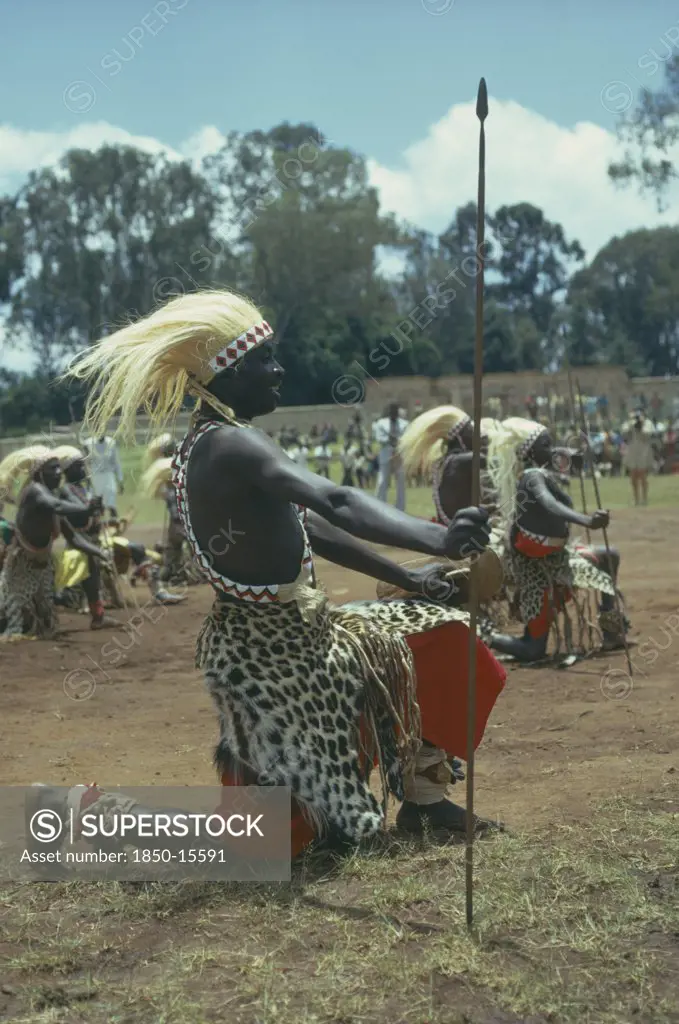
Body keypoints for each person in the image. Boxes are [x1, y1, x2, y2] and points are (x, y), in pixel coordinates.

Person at [40, 289, 506, 859]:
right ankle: (97, 819)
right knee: (265, 847)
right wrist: (436, 535)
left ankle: (424, 798)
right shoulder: (230, 444)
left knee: (446, 641)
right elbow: (334, 497)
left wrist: (408, 578)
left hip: (301, 638)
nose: (278, 371)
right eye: (264, 360)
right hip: (272, 660)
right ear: (225, 375)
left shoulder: (214, 443)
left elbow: (310, 523)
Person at [485, 418, 629, 664]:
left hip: (558, 560)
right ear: (529, 451)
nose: (551, 449)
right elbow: (549, 504)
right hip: (537, 571)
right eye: (545, 444)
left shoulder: (538, 472)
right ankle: (481, 634)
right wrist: (587, 521)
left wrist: (568, 455)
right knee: (533, 649)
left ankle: (612, 631)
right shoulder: (531, 477)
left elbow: (559, 466)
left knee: (609, 556)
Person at [0, 446, 101, 639]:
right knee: (14, 617)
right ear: (39, 474)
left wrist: (98, 552)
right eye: (52, 469)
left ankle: (97, 612)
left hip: (43, 566)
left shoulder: (49, 496)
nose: (58, 473)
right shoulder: (35, 491)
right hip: (22, 565)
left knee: (46, 622)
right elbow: (57, 506)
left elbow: (73, 537)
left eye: (58, 468)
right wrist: (87, 510)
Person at [373, 403, 409, 511]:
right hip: (386, 454)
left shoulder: (405, 424)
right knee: (382, 481)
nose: (393, 413)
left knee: (400, 482)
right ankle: (379, 506)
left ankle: (400, 507)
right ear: (388, 412)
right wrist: (389, 440)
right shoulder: (381, 424)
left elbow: (407, 438)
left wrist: (398, 440)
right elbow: (379, 438)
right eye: (391, 411)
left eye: (395, 411)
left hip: (399, 455)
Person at [83, 431, 125, 517]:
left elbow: (116, 462)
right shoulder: (88, 443)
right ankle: (97, 524)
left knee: (111, 498)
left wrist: (120, 480)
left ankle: (114, 520)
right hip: (95, 476)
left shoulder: (111, 443)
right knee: (96, 502)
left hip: (108, 475)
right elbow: (86, 463)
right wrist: (88, 479)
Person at [623, 415, 654, 506]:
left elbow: (647, 434)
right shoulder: (630, 423)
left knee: (642, 475)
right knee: (633, 477)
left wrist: (641, 425)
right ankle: (636, 499)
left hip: (643, 452)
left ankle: (644, 499)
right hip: (632, 451)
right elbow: (625, 433)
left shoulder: (647, 423)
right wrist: (632, 425)